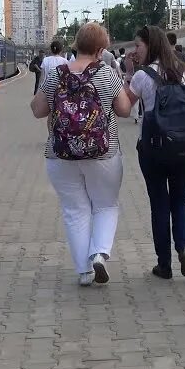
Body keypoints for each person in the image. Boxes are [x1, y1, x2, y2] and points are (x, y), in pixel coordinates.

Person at [32, 23, 133, 286]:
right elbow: (124, 110)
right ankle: (99, 253)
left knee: (74, 210)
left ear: (76, 44)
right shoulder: (107, 73)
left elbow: (37, 109)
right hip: (104, 153)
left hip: (60, 153)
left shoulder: (56, 72)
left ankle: (84, 271)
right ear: (101, 49)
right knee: (106, 205)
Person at [125, 25, 185, 280]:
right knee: (181, 200)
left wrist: (129, 73)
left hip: (153, 149)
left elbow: (124, 109)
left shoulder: (142, 76)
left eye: (138, 45)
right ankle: (184, 247)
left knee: (159, 204)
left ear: (151, 45)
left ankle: (164, 265)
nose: (135, 51)